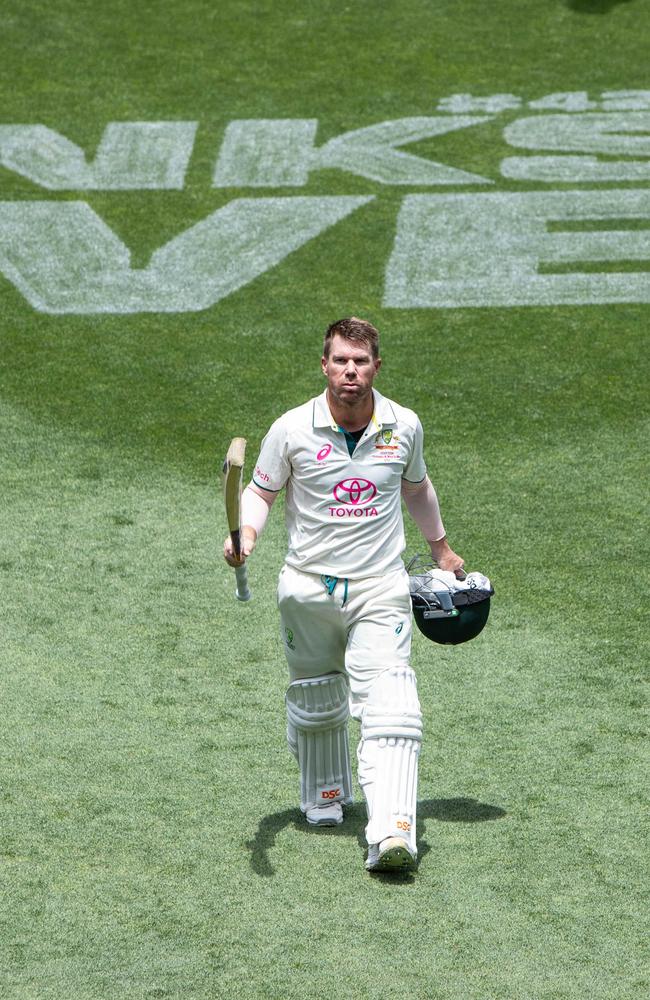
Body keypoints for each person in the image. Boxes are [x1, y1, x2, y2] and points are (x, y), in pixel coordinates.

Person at [223, 317, 464, 873]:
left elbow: (416, 487)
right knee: (316, 697)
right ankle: (327, 794)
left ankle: (393, 831)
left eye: (360, 361)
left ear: (376, 365)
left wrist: (442, 551)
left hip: (381, 585)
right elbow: (260, 490)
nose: (350, 372)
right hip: (307, 586)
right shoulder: (291, 428)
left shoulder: (403, 425)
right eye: (340, 361)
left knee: (392, 705)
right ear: (324, 365)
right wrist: (248, 536)